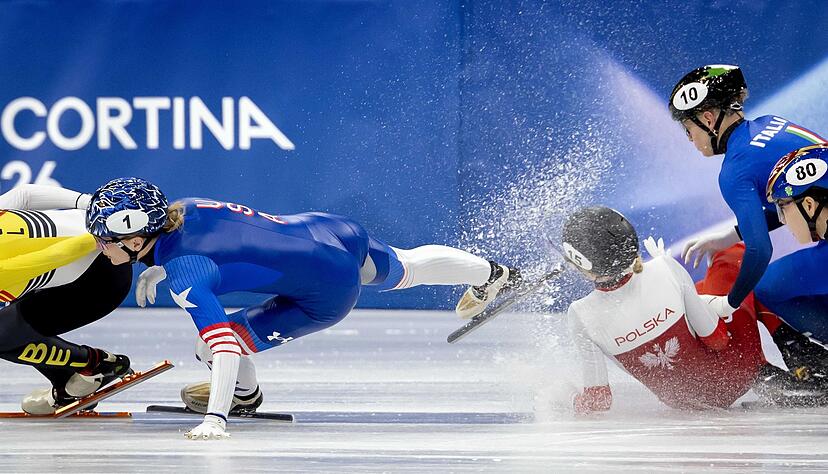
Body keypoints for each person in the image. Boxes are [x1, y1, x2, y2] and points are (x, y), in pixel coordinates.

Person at [84, 177, 521, 439]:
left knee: (208, 347)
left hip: (325, 294)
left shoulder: (185, 273)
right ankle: (492, 273)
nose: (100, 246)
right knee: (405, 266)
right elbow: (227, 242)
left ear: (137, 237)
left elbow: (222, 348)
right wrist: (156, 267)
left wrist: (215, 420)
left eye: (105, 238)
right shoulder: (186, 208)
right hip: (327, 230)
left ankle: (241, 399)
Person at [562, 207, 825, 414]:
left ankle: (777, 369)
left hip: (685, 401)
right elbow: (718, 339)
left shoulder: (580, 314)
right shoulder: (664, 269)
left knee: (700, 289)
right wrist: (700, 300)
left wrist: (560, 399)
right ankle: (799, 353)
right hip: (738, 372)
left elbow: (599, 401)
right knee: (736, 257)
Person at [669, 64, 828, 376]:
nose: (690, 140)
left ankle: (812, 366)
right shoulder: (772, 124)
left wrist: (730, 302)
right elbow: (810, 192)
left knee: (763, 286)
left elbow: (759, 251)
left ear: (708, 118)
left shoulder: (735, 170)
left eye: (688, 131)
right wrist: (733, 235)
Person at [0, 185, 133, 415]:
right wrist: (90, 204)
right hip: (89, 255)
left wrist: (94, 237)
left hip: (99, 281)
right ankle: (67, 381)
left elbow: (51, 256)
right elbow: (24, 195)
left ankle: (97, 364)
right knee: (11, 325)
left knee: (4, 333)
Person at [764, 144, 828, 342]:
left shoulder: (820, 263)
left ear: (809, 205)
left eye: (783, 207)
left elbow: (764, 287)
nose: (782, 219)